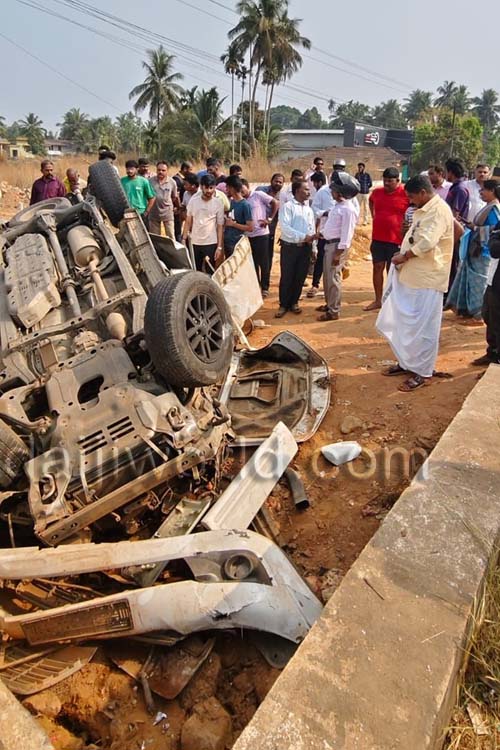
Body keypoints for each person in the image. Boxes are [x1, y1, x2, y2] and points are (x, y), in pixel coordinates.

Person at [376, 175, 453, 392]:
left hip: (428, 278)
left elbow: (427, 242)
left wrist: (405, 255)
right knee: (407, 325)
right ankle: (407, 363)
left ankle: (424, 372)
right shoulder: (424, 209)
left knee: (424, 328)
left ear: (423, 193)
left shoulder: (438, 210)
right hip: (412, 276)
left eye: (411, 197)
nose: (410, 201)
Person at [446, 180, 500, 322]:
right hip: (476, 248)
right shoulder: (488, 207)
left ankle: (478, 314)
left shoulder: (494, 209)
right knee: (471, 279)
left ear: (492, 191)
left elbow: (493, 230)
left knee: (479, 281)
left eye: (483, 190)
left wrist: (475, 228)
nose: (481, 193)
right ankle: (468, 310)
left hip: (483, 251)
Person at [364, 167, 409, 311]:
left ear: (398, 181)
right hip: (378, 237)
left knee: (392, 271)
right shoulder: (377, 193)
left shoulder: (405, 193)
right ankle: (378, 300)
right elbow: (371, 201)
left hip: (396, 239)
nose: (387, 183)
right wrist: (374, 215)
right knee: (377, 267)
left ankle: (391, 302)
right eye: (385, 181)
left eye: (390, 181)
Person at [316, 178, 359, 322]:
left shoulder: (348, 210)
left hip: (336, 247)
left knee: (334, 278)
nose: (331, 192)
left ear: (340, 192)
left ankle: (334, 310)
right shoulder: (338, 206)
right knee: (328, 277)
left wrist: (338, 254)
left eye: (333, 190)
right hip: (329, 244)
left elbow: (347, 234)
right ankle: (329, 304)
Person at [275, 180, 316, 318]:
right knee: (287, 276)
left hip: (305, 248)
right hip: (290, 247)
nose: (309, 192)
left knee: (300, 276)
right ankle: (283, 305)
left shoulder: (309, 209)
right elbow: (285, 228)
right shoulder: (288, 207)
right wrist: (304, 237)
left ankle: (294, 302)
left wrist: (313, 248)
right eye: (306, 189)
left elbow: (312, 229)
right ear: (297, 191)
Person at [241, 178, 279, 296]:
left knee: (264, 262)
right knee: (253, 262)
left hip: (261, 234)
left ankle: (265, 287)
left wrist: (269, 219)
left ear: (247, 186)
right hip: (248, 236)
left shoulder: (258, 195)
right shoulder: (241, 201)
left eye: (242, 189)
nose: (241, 192)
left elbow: (275, 203)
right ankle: (256, 286)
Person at [182, 173, 224, 273]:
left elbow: (220, 226)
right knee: (196, 271)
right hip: (195, 242)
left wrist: (219, 247)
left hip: (211, 243)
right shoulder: (193, 201)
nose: (209, 191)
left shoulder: (218, 203)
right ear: (201, 187)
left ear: (214, 187)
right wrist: (184, 239)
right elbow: (188, 221)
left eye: (211, 188)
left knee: (210, 271)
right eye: (206, 188)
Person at [472, 222, 500, 366]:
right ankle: (492, 353)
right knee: (488, 315)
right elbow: (493, 246)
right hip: (494, 279)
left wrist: (495, 239)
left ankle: (497, 363)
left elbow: (495, 247)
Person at [309, 173, 333, 298]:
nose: (314, 186)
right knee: (321, 259)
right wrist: (325, 213)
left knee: (333, 262)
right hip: (324, 232)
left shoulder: (344, 192)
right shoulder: (322, 193)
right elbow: (314, 209)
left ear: (318, 182)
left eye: (314, 183)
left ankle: (330, 288)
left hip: (335, 234)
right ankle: (316, 284)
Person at [256, 173, 284, 275]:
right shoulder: (261, 190)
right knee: (256, 256)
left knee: (268, 256)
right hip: (257, 230)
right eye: (276, 181)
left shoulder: (282, 196)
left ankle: (266, 279)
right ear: (271, 181)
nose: (278, 183)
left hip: (270, 231)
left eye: (280, 182)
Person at [220, 175, 253, 261]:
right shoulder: (231, 202)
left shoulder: (245, 205)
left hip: (237, 244)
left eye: (227, 187)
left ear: (232, 188)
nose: (226, 190)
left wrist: (233, 224)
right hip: (228, 241)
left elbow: (250, 227)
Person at [148, 161, 179, 240]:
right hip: (154, 213)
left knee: (171, 236)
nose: (160, 172)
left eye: (163, 170)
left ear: (167, 171)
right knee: (155, 238)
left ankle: (172, 249)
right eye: (159, 170)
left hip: (167, 213)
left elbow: (174, 197)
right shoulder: (150, 181)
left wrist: (176, 207)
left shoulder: (172, 182)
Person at [173, 162, 193, 240]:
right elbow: (176, 196)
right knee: (178, 228)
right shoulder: (177, 180)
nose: (191, 171)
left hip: (182, 207)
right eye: (190, 169)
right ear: (185, 169)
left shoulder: (182, 179)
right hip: (178, 208)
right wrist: (179, 207)